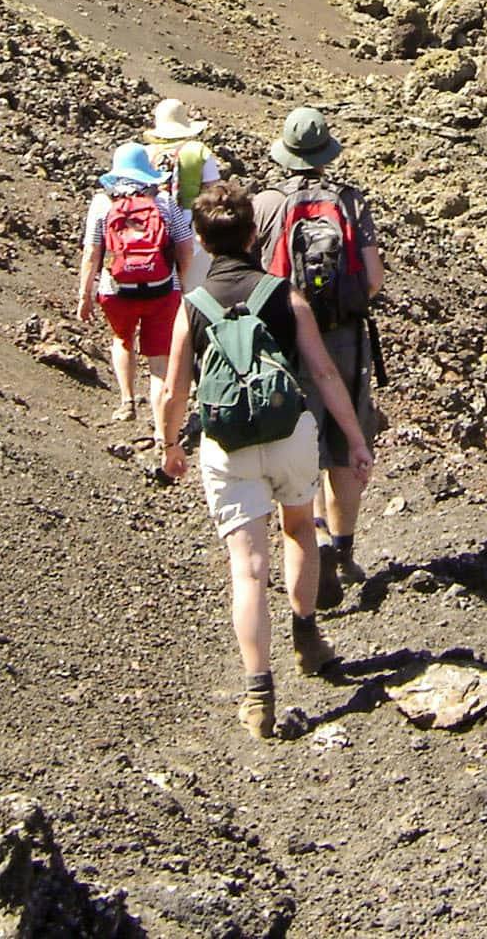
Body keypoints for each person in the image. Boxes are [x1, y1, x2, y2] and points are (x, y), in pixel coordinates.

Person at [157, 178, 374, 741]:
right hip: (289, 435)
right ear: (255, 234)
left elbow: (173, 390)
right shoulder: (284, 294)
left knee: (247, 568)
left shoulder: (193, 305)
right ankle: (307, 635)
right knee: (300, 527)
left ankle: (258, 693)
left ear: (202, 242)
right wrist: (354, 438)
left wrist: (169, 443)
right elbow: (324, 373)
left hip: (226, 446)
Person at [253, 107, 384, 611]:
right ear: (326, 152)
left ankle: (304, 544)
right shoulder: (350, 202)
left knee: (293, 444)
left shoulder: (265, 204)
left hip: (285, 340)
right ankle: (343, 549)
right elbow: (372, 279)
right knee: (346, 444)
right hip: (344, 340)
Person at [75, 142, 187, 425]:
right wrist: (184, 285)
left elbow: (92, 252)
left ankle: (127, 401)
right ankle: (162, 428)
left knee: (122, 340)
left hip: (116, 290)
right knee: (159, 357)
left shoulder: (102, 203)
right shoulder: (163, 201)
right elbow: (185, 246)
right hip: (163, 288)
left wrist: (84, 295)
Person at [143, 97, 224, 293]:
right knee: (194, 287)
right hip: (192, 225)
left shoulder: (146, 153)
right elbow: (213, 193)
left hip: (154, 225)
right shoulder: (199, 151)